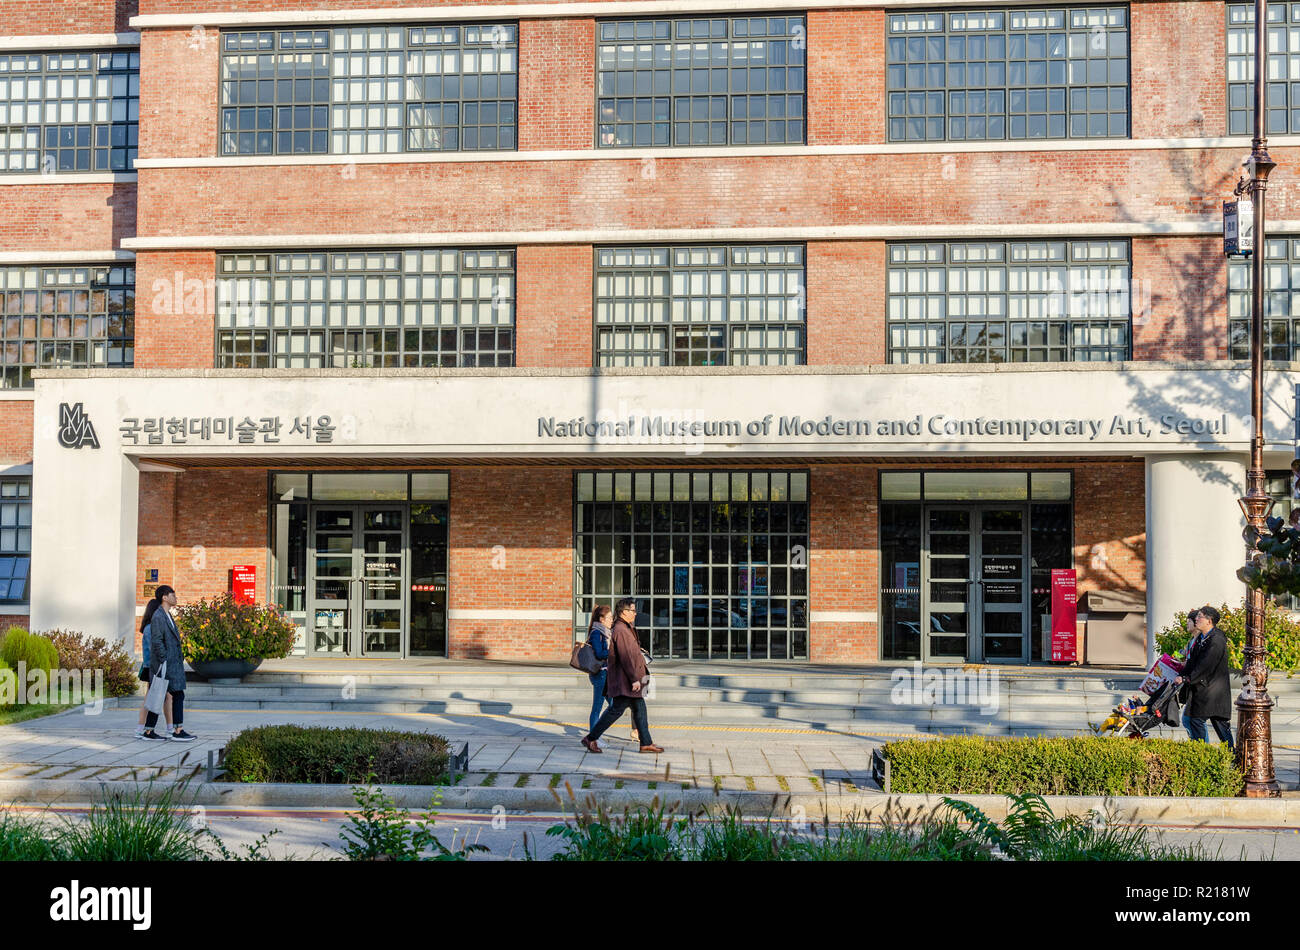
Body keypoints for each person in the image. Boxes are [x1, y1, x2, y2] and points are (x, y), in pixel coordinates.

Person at [580, 598, 663, 754]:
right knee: (615, 711)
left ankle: (646, 743)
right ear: (624, 612)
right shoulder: (621, 630)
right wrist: (634, 680)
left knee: (639, 709)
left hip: (628, 679)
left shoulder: (625, 627)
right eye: (633, 610)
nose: (635, 613)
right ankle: (591, 738)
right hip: (625, 680)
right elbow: (625, 657)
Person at [141, 585, 195, 742]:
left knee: (163, 695)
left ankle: (149, 731)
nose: (175, 597)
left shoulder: (167, 615)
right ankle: (178, 730)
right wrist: (164, 659)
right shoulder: (158, 616)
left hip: (172, 663)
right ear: (164, 597)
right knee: (173, 694)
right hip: (166, 664)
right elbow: (157, 641)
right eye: (173, 594)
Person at [1174, 605, 1233, 749]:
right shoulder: (1202, 638)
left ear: (1209, 621)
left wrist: (1187, 679)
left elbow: (1206, 665)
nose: (1196, 619)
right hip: (1203, 689)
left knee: (1203, 721)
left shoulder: (1216, 639)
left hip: (1213, 690)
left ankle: (1207, 753)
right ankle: (1224, 754)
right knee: (1210, 722)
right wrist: (1182, 675)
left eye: (1200, 616)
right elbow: (1192, 662)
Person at [135, 591, 173, 737]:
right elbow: (155, 649)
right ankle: (142, 729)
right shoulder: (151, 628)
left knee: (165, 696)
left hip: (152, 667)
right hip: (154, 667)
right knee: (154, 698)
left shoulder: (150, 627)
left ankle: (167, 728)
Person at [586, 604, 613, 732]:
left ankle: (597, 732)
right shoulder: (596, 633)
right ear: (602, 619)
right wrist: (614, 652)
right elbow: (599, 653)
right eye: (610, 617)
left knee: (614, 706)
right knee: (597, 708)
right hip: (599, 675)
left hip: (606, 674)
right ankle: (593, 737)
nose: (612, 620)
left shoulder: (606, 633)